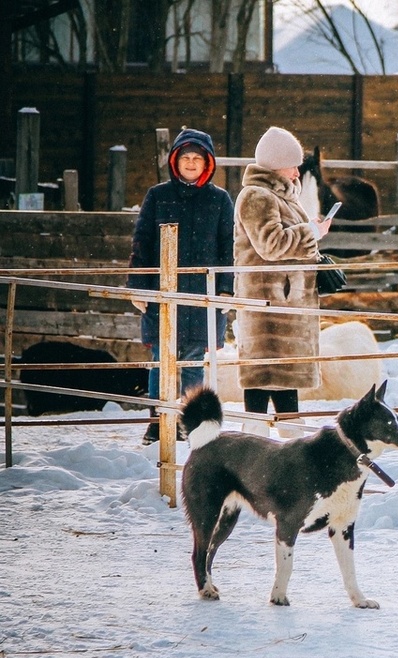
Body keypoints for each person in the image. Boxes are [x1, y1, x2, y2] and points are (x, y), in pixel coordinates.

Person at [128, 127, 234, 445]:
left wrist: (226, 289)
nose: (190, 163)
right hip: (162, 292)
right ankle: (157, 422)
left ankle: (190, 424)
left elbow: (228, 246)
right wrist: (137, 286)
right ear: (175, 161)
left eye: (197, 158)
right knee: (162, 360)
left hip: (201, 294)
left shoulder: (219, 199)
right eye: (185, 157)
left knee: (192, 361)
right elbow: (142, 241)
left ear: (207, 163)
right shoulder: (158, 196)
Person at [233, 126, 333, 433]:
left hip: (283, 303)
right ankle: (257, 435)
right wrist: (311, 232)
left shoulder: (282, 197)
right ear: (277, 165)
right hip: (268, 304)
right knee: (263, 373)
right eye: (293, 164)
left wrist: (311, 231)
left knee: (282, 374)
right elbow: (271, 244)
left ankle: (288, 433)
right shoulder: (257, 196)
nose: (297, 171)